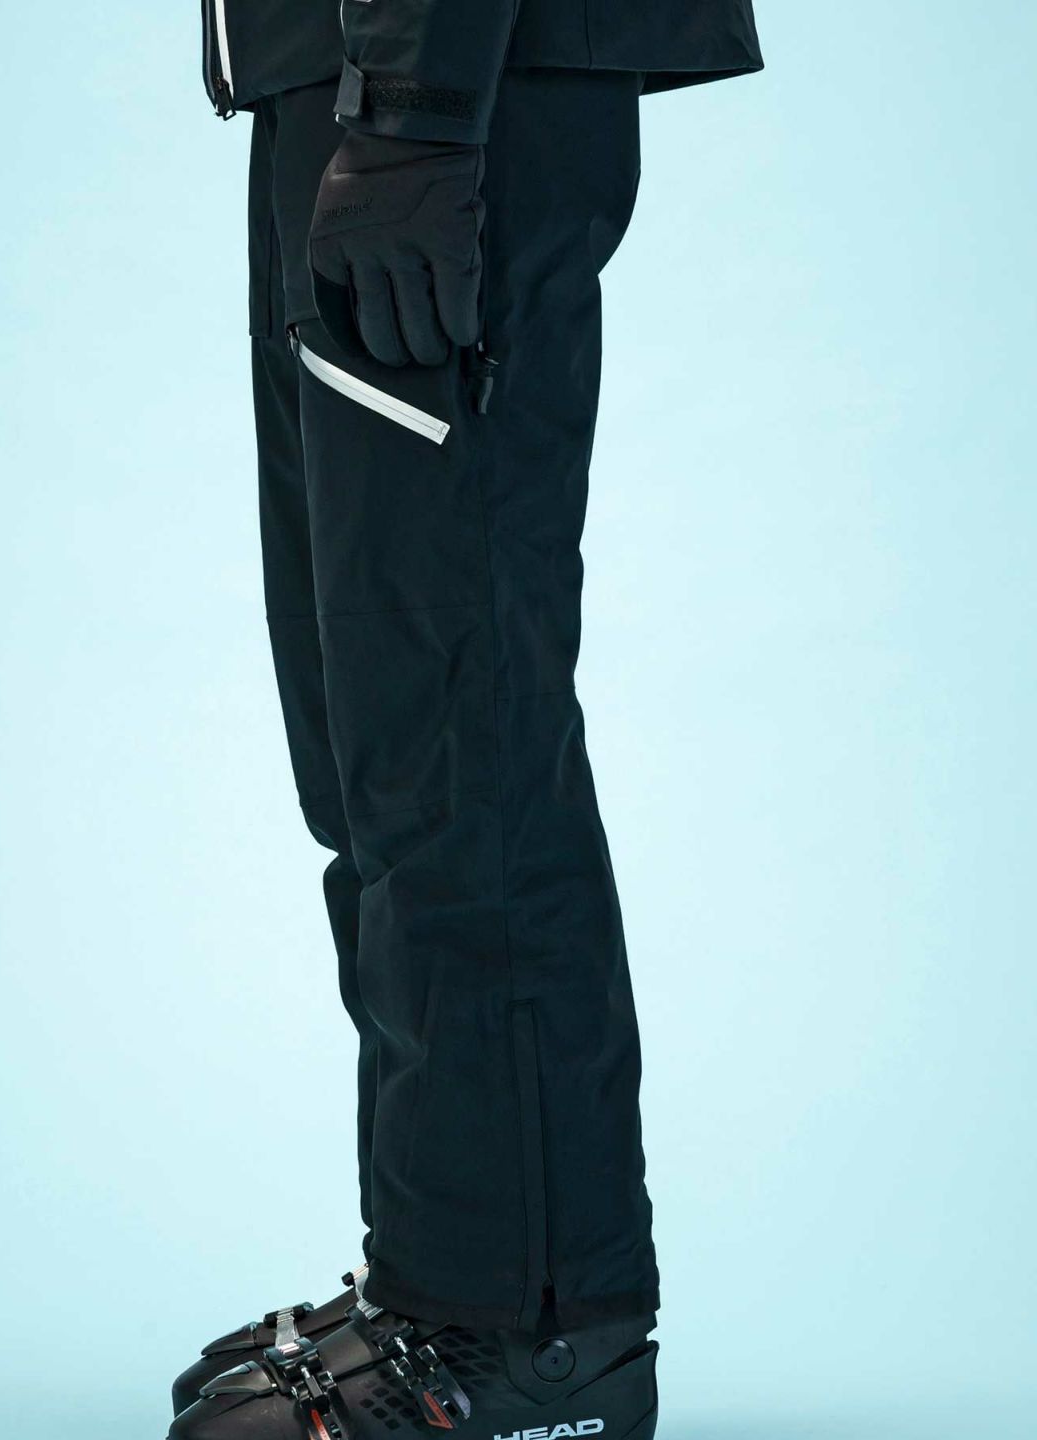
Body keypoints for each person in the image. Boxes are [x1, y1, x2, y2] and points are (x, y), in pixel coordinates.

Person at [172, 4, 762, 1438]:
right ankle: (442, 1284)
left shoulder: (417, 111)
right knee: (375, 757)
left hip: (438, 81)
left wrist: (415, 113)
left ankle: (528, 1338)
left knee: (455, 741)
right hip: (350, 82)